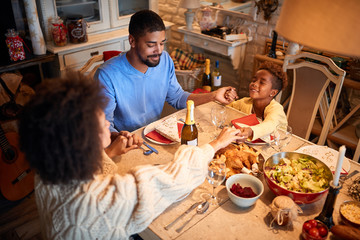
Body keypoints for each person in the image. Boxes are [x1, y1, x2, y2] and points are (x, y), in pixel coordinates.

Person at [18, 72, 243, 239]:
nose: (108, 122)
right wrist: (214, 144)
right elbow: (172, 180)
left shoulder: (47, 174)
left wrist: (107, 153)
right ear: (81, 142)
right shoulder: (101, 200)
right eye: (101, 122)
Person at [95, 10, 238, 134]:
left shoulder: (165, 60)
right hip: (124, 142)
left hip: (155, 134)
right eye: (151, 45)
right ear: (132, 41)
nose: (159, 51)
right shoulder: (107, 75)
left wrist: (213, 96)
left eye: (162, 43)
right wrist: (123, 138)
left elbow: (178, 97)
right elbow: (104, 125)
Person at [228, 61, 288, 141]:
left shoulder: (276, 109)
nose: (254, 84)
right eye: (254, 80)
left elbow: (270, 125)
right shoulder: (245, 102)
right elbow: (227, 108)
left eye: (262, 83)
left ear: (273, 92)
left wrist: (250, 131)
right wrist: (227, 98)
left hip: (275, 145)